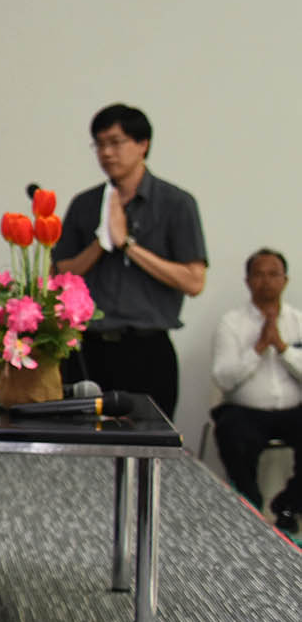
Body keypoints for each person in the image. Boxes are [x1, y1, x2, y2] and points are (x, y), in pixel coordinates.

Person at [51, 105, 207, 415]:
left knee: (146, 437)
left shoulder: (176, 203)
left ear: (142, 144)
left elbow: (194, 281)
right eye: (99, 144)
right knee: (81, 436)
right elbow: (59, 275)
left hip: (146, 349)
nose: (107, 153)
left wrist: (127, 245)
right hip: (88, 347)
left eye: (116, 142)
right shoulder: (85, 204)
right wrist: (101, 242)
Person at [209, 248, 302, 531]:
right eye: (259, 275)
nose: (266, 281)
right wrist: (258, 347)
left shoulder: (298, 320)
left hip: (293, 411)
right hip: (245, 412)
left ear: (285, 280)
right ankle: (250, 509)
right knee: (231, 433)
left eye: (273, 274)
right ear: (248, 281)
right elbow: (224, 379)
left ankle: (289, 505)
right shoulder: (231, 323)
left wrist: (283, 348)